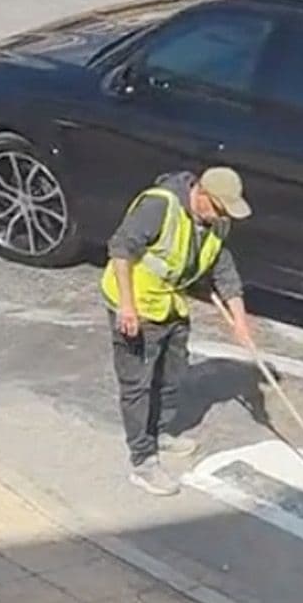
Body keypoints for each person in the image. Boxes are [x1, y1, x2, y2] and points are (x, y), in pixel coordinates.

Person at [101, 165, 257, 497]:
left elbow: (224, 273)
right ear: (200, 193)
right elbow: (120, 248)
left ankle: (161, 431)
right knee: (137, 384)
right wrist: (127, 307)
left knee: (172, 375)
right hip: (137, 305)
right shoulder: (160, 206)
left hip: (170, 305)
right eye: (218, 209)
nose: (220, 217)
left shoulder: (216, 223)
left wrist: (240, 321)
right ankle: (143, 460)